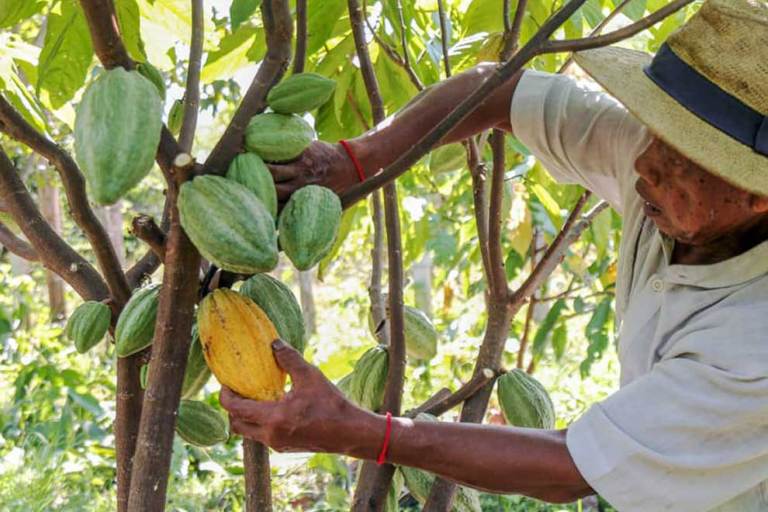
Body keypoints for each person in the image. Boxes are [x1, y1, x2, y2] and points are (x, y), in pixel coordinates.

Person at [220, 0, 768, 510]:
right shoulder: (664, 174)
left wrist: (358, 431)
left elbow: (572, 467)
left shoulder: (754, 339)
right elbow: (500, 90)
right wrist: (356, 160)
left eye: (680, 166)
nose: (645, 165)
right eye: (654, 134)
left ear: (757, 195)